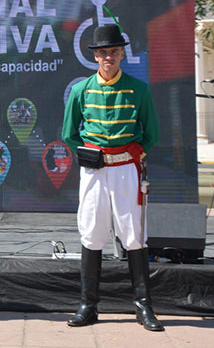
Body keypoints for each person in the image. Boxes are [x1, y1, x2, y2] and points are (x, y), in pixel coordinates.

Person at [62, 24, 164, 331]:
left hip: (126, 170)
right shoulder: (81, 90)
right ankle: (87, 305)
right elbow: (69, 133)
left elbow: (152, 133)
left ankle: (143, 307)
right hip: (94, 171)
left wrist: (134, 154)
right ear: (95, 56)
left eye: (114, 52)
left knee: (134, 235)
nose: (109, 57)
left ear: (122, 54)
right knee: (92, 233)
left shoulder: (138, 89)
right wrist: (88, 155)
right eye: (103, 52)